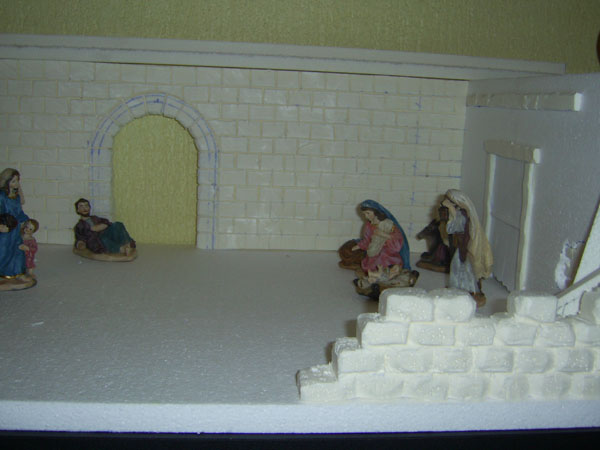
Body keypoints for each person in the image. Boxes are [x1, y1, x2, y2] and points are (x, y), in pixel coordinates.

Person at [350, 200, 418, 298]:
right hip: (374, 250)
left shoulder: (389, 224)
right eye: (364, 214)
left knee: (383, 258)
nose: (366, 216)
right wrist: (359, 246)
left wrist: (384, 235)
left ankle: (388, 276)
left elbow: (397, 239)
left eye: (368, 213)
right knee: (372, 259)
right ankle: (374, 278)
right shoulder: (369, 225)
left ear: (375, 212)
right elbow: (367, 240)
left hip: (389, 251)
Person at [442, 189, 493, 306]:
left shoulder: (461, 215)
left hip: (464, 247)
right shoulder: (461, 214)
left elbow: (450, 229)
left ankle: (470, 290)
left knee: (465, 269)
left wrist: (450, 214)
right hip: (461, 245)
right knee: (457, 267)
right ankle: (458, 288)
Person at [0, 168, 31, 279]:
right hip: (5, 230)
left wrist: (26, 221)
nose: (16, 183)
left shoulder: (16, 197)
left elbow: (19, 212)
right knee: (4, 251)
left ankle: (18, 272)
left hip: (16, 229)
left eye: (17, 180)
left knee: (18, 251)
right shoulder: (1, 197)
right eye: (13, 181)